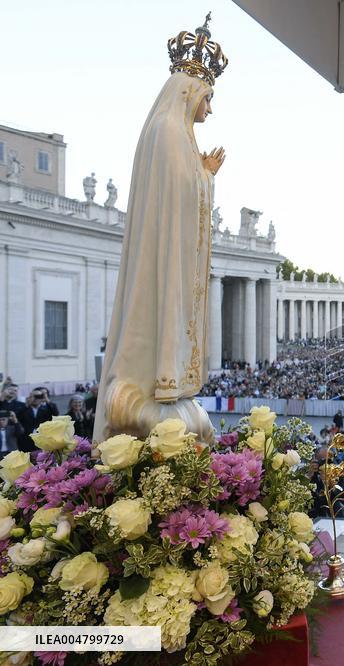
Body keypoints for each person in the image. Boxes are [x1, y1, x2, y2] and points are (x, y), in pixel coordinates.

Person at [94, 15, 227, 442]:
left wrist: (202, 174)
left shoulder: (174, 133)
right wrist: (204, 178)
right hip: (166, 257)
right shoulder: (169, 132)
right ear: (190, 92)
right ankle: (163, 378)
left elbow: (180, 192)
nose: (211, 107)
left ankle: (172, 383)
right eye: (209, 97)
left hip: (172, 251)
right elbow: (177, 199)